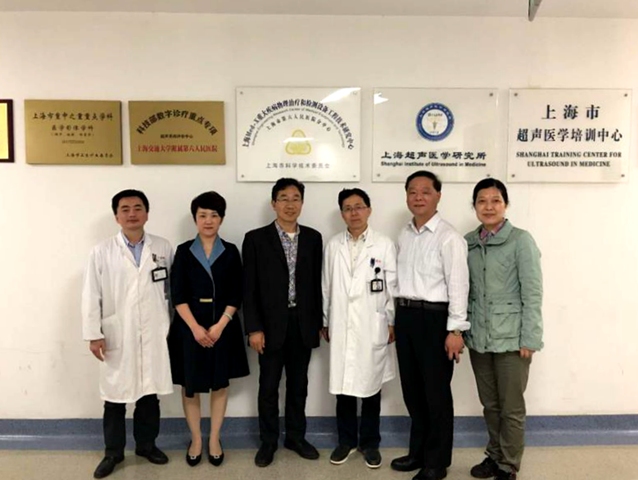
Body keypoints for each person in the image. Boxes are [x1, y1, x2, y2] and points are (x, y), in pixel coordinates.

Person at [82, 189, 173, 479]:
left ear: (147, 213)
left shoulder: (162, 247)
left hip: (154, 331)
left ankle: (147, 446)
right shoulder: (101, 251)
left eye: (137, 208)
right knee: (115, 397)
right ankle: (113, 452)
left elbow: (171, 291)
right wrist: (93, 334)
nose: (132, 214)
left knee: (149, 394)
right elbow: (91, 295)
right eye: (125, 209)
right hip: (116, 334)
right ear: (116, 216)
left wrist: (168, 326)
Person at [391, 171, 469, 480]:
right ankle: (418, 453)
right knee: (412, 391)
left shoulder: (449, 237)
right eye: (412, 191)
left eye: (425, 191)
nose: (418, 197)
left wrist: (456, 330)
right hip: (406, 317)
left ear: (438, 196)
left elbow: (459, 286)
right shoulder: (404, 234)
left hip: (436, 320)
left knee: (436, 394)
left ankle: (437, 462)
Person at [464, 179, 543, 480]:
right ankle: (494, 455)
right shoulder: (469, 242)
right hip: (480, 339)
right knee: (490, 405)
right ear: (474, 206)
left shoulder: (521, 241)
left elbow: (532, 292)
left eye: (495, 200)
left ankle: (509, 464)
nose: (489, 207)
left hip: (512, 339)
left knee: (511, 407)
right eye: (482, 201)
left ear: (505, 204)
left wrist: (530, 338)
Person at [242, 178, 323, 467]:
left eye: (295, 198)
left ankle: (296, 437)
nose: (290, 204)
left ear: (302, 202)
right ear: (273, 203)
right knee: (268, 386)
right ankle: (268, 442)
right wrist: (254, 327)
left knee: (299, 385)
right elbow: (249, 287)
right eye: (284, 198)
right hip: (269, 326)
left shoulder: (313, 238)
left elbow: (317, 284)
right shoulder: (256, 239)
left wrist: (319, 321)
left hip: (303, 323)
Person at [167, 191, 250, 467]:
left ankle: (214, 438)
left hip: (222, 328)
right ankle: (196, 439)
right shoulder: (183, 251)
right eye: (202, 215)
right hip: (189, 329)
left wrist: (220, 326)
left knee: (219, 383)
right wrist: (195, 328)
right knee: (191, 386)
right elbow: (177, 294)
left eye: (214, 215)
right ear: (195, 218)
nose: (208, 220)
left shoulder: (230, 251)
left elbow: (236, 293)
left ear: (221, 219)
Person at [321, 188, 397, 469]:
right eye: (348, 208)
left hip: (372, 323)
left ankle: (370, 443)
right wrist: (326, 320)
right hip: (341, 323)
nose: (354, 213)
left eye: (359, 206)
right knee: (343, 387)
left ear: (369, 210)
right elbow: (326, 286)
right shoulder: (333, 245)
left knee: (371, 387)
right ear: (342, 214)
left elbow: (392, 286)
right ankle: (346, 441)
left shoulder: (384, 244)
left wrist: (391, 320)